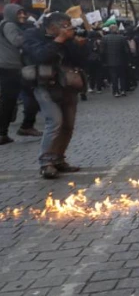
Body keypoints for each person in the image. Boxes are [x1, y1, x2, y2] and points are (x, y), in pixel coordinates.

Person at [22, 12, 84, 179]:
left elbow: (80, 59)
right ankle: (46, 163)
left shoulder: (68, 39)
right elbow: (40, 56)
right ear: (52, 26)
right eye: (65, 25)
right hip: (44, 85)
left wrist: (75, 43)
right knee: (54, 121)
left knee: (68, 125)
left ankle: (58, 159)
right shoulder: (33, 35)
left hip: (68, 84)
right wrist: (59, 40)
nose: (68, 28)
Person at [0, 3, 42, 144]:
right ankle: (24, 127)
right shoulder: (9, 25)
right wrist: (29, 34)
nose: (23, 15)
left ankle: (9, 131)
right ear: (11, 14)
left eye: (23, 13)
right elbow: (17, 41)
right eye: (19, 13)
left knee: (11, 100)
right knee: (26, 96)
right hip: (10, 67)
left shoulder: (9, 25)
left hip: (12, 66)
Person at [101, 25, 130, 97]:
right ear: (117, 30)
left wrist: (104, 60)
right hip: (121, 60)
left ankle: (115, 91)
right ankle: (123, 90)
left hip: (110, 61)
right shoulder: (122, 38)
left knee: (114, 77)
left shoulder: (104, 38)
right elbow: (127, 50)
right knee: (122, 76)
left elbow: (102, 51)